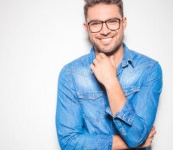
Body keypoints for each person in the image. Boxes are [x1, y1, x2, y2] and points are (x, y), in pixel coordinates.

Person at [56, 0, 162, 149]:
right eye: (95, 23)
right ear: (86, 27)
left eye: (112, 21)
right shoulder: (70, 74)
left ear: (123, 23)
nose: (104, 31)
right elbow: (68, 143)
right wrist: (129, 143)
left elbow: (136, 136)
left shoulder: (149, 69)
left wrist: (111, 82)